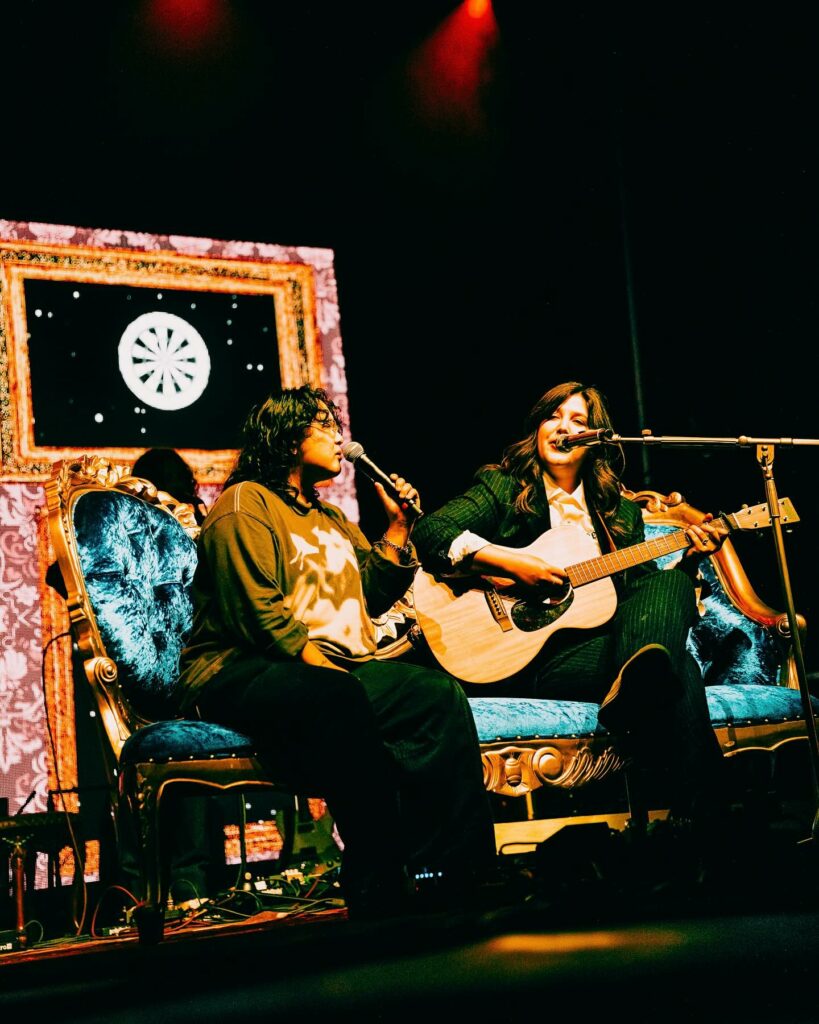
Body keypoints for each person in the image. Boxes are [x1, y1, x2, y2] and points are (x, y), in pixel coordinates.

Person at [176, 385, 497, 919]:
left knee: (434, 695)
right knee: (341, 698)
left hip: (326, 669)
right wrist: (338, 670)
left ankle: (452, 868)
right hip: (239, 667)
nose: (337, 436)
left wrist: (398, 528)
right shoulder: (244, 504)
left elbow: (367, 596)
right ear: (285, 435)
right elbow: (256, 610)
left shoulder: (331, 522)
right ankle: (377, 874)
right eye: (323, 425)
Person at [412, 381, 731, 872]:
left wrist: (689, 558)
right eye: (553, 416)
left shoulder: (617, 511)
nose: (563, 427)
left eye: (579, 420)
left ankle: (686, 798)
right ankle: (706, 826)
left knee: (667, 605)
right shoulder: (503, 486)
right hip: (520, 656)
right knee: (678, 670)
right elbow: (431, 532)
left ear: (597, 437)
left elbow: (642, 595)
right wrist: (515, 564)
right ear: (537, 427)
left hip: (601, 654)